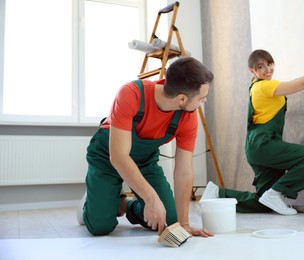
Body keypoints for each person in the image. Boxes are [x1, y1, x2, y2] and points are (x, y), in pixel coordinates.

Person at [201, 50, 304, 215]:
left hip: (256, 148)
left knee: (264, 202)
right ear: (252, 70)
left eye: (269, 64)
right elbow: (302, 84)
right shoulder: (264, 86)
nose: (267, 69)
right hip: (264, 144)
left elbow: (296, 82)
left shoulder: (256, 87)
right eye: (261, 66)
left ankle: (217, 194)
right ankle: (277, 192)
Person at [77, 57, 214, 237]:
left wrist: (184, 223)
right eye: (202, 98)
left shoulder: (187, 117)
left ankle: (122, 204)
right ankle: (93, 202)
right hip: (107, 158)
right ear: (182, 98)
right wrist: (151, 198)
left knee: (168, 222)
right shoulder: (131, 94)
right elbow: (118, 157)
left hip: (144, 161)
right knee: (99, 227)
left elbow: (184, 171)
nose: (204, 101)